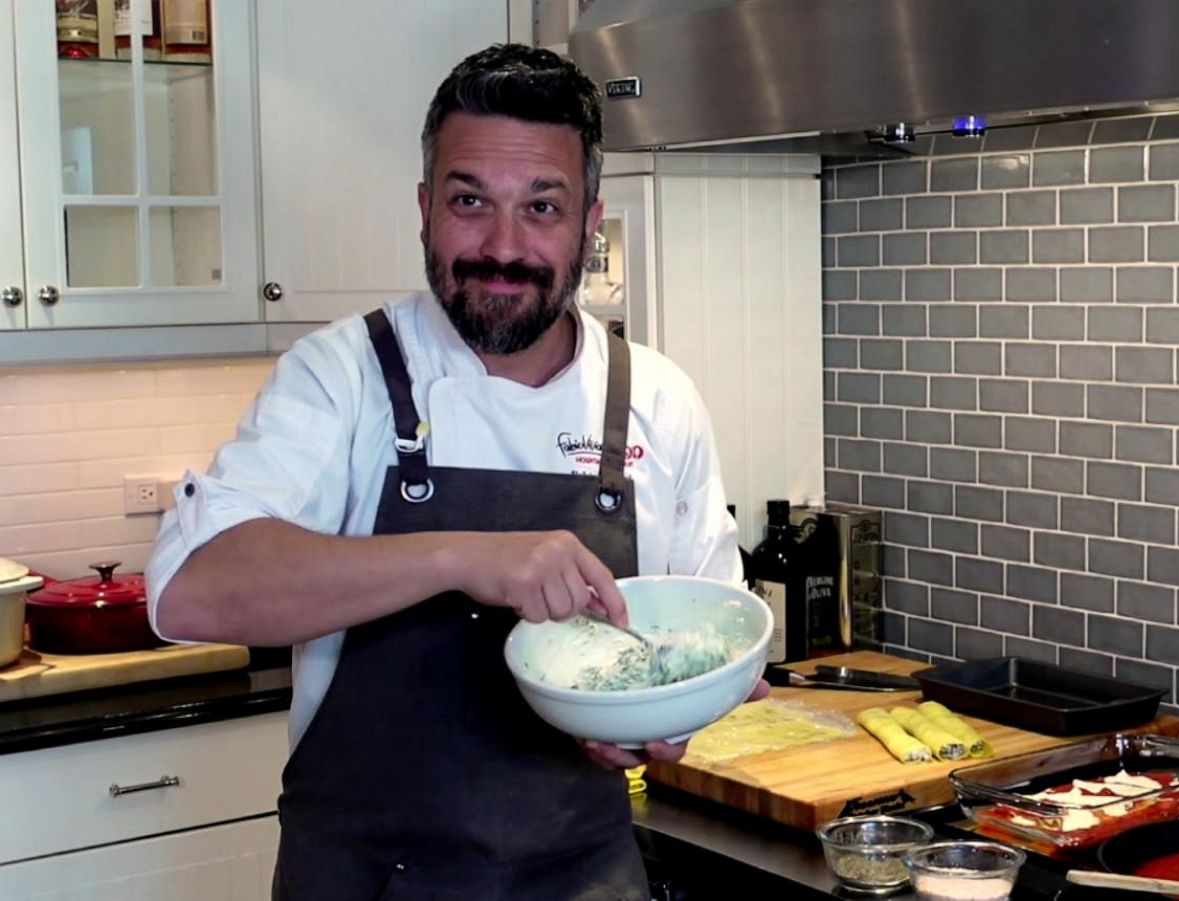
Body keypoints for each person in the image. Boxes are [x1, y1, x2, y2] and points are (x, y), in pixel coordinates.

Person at [146, 45, 762, 899]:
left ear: (590, 220)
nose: (501, 247)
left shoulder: (657, 397)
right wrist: (466, 557)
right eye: (470, 201)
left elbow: (710, 637)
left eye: (541, 207)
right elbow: (192, 589)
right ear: (425, 208)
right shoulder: (343, 377)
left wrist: (660, 723)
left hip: (586, 880)